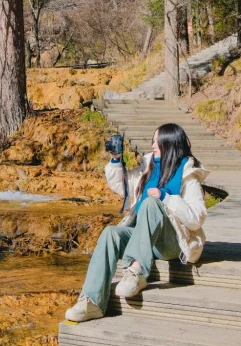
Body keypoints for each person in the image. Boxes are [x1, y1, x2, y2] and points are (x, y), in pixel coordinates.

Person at [65, 121, 209, 323]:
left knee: (152, 202)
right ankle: (92, 302)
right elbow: (122, 185)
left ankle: (136, 271)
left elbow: (197, 218)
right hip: (145, 238)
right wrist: (116, 159)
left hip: (172, 242)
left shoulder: (188, 174)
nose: (153, 145)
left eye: (157, 142)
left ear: (170, 144)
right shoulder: (148, 167)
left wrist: (166, 198)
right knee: (111, 234)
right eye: (153, 141)